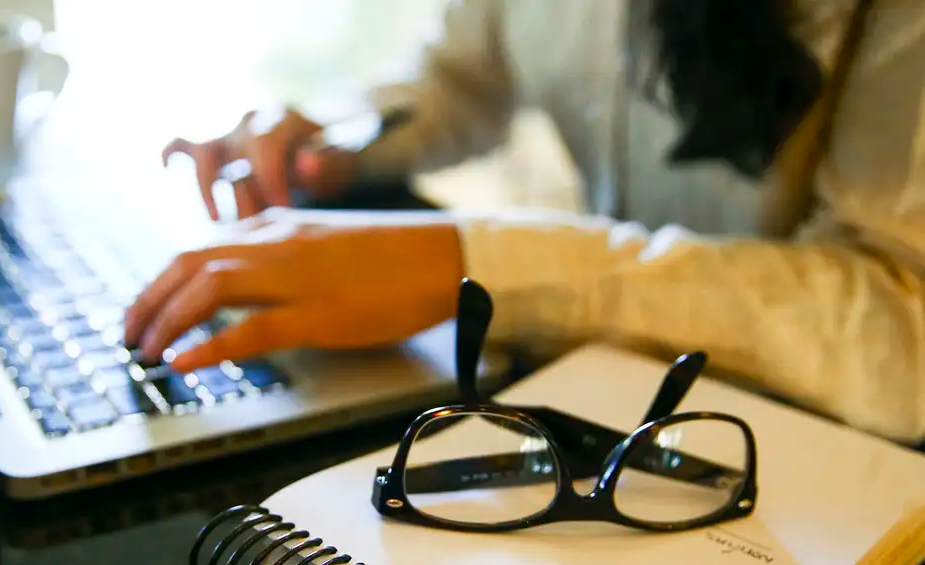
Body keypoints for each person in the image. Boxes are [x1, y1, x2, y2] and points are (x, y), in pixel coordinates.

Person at [124, 0, 925, 444]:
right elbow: (463, 72)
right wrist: (333, 140)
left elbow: (905, 318)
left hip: (815, 455)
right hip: (616, 401)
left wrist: (482, 264)